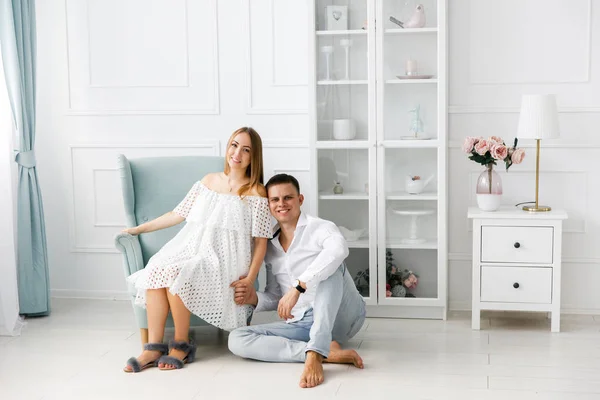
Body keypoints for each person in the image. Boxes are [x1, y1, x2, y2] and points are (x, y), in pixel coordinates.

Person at [122, 127, 272, 372]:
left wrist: (251, 277)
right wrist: (138, 229)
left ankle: (181, 346)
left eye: (246, 150)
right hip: (192, 248)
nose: (237, 153)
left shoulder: (256, 192)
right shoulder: (208, 181)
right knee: (158, 270)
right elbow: (177, 214)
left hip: (224, 260)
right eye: (234, 145)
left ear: (254, 157)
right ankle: (152, 348)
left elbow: (261, 242)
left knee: (178, 274)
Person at [228, 174, 366, 388]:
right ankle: (321, 352)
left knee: (332, 265)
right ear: (268, 205)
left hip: (342, 315)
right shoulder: (269, 247)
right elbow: (276, 296)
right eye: (274, 200)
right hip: (303, 322)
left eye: (288, 198)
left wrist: (299, 286)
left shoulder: (321, 227)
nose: (281, 204)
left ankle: (316, 352)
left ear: (300, 199)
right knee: (237, 339)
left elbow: (339, 250)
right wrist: (255, 298)